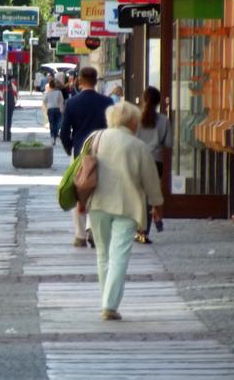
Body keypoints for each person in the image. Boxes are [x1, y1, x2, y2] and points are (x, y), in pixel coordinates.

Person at [85, 102, 164, 320]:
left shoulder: (95, 139)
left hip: (98, 203)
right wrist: (157, 206)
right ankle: (109, 305)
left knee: (103, 253)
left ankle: (107, 300)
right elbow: (150, 181)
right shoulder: (138, 146)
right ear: (131, 121)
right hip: (127, 206)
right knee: (119, 255)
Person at [60, 66, 114, 248]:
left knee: (80, 190)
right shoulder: (107, 102)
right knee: (99, 190)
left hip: (80, 152)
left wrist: (70, 149)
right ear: (96, 81)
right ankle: (94, 229)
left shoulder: (72, 103)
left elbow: (64, 132)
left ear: (80, 81)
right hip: (103, 151)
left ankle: (80, 235)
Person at [135, 87, 172, 244]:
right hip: (155, 162)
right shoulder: (164, 120)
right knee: (149, 196)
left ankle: (138, 229)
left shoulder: (135, 119)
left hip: (136, 160)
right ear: (158, 102)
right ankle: (145, 231)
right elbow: (168, 143)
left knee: (138, 196)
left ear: (143, 100)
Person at [43, 79, 64, 145]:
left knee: (52, 123)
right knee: (58, 123)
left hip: (50, 109)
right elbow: (61, 101)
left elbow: (44, 101)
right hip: (57, 109)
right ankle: (56, 133)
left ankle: (53, 137)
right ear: (55, 86)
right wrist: (61, 108)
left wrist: (47, 106)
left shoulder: (47, 93)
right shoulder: (59, 92)